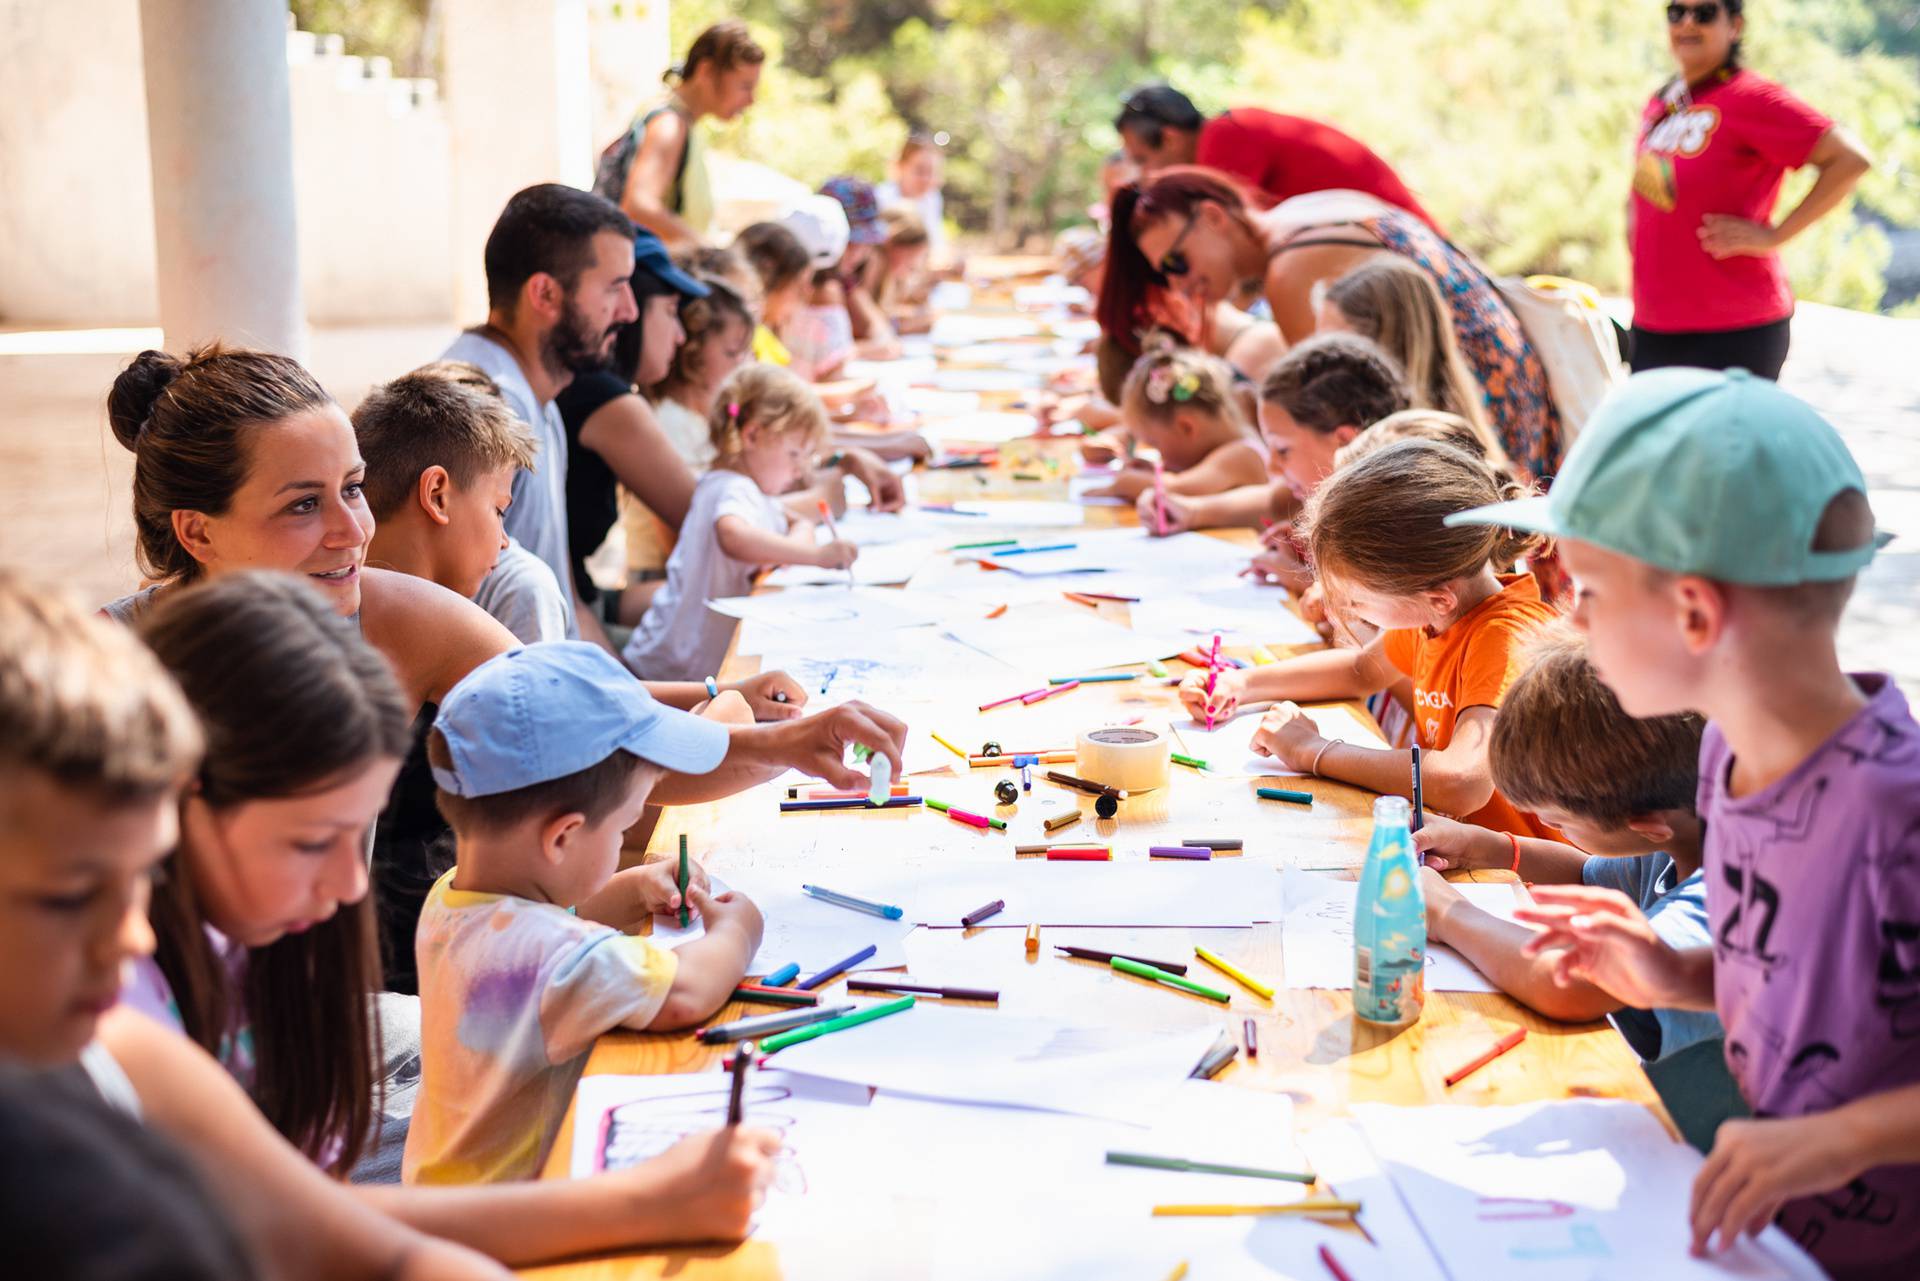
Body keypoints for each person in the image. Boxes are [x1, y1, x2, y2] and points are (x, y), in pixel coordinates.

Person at [126, 573, 784, 1258]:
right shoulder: (128, 1014)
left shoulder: (252, 947)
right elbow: (299, 1223)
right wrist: (650, 1201)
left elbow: (323, 1206)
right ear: (188, 804)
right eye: (312, 840)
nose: (352, 881)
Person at [1459, 369, 1918, 1276]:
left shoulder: (1891, 810)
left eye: (1587, 591)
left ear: (1696, 613)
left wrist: (1841, 1139)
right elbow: (1813, 979)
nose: (1571, 618)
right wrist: (1676, 973)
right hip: (1777, 1225)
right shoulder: (1730, 760)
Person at [0, 572, 507, 1280]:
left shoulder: (127, 1042)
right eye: (67, 898)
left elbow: (343, 1232)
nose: (130, 937)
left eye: (142, 877)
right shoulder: (120, 1034)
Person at [406, 643, 772, 1184]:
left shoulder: (451, 898)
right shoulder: (553, 959)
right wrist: (738, 933)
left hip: (440, 1185)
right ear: (563, 837)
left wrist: (629, 890)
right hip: (508, 1221)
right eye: (623, 828)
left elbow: (531, 914)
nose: (625, 838)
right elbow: (685, 993)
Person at [1182, 440, 1561, 838]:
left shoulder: (1506, 637)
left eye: (1357, 600)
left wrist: (1314, 752)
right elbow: (1361, 669)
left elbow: (1462, 783)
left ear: (1437, 597)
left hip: (1515, 881)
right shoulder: (1439, 613)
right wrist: (1241, 684)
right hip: (1458, 851)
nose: (1347, 610)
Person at [1101, 168, 1561, 479]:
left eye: (1177, 261)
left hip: (1482, 411)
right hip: (1515, 387)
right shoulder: (1301, 214)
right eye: (1166, 275)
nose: (1181, 285)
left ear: (1213, 216)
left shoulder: (1290, 270)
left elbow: (1329, 423)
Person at [1413, 627, 1720, 1062]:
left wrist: (1447, 913)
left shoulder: (1730, 892)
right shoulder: (1680, 830)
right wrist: (1490, 847)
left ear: (1649, 825)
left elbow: (1571, 985)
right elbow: (1585, 873)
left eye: (1555, 821)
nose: (1542, 826)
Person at [440, 183, 642, 643]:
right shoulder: (485, 410)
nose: (629, 311)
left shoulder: (540, 400)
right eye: (615, 287)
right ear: (546, 294)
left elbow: (569, 609)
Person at [1628, 0, 1870, 379]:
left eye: (1705, 13)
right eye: (1677, 12)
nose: (1688, 22)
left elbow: (1850, 159)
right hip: (1654, 324)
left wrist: (1773, 236)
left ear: (1734, 25)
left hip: (1734, 329)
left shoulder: (1751, 96)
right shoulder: (1665, 102)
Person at [624, 365, 855, 682]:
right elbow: (732, 536)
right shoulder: (734, 489)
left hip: (678, 657)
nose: (799, 471)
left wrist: (798, 538)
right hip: (678, 669)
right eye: (793, 455)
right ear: (753, 435)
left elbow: (791, 521)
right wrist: (816, 556)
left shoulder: (734, 487)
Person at [556, 228, 707, 632]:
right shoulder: (604, 397)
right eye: (672, 312)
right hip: (576, 618)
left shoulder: (592, 387)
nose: (680, 335)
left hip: (587, 601)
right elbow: (707, 516)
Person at [356, 363, 568, 646]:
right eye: (499, 510)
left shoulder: (324, 612)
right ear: (436, 496)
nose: (504, 541)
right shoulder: (472, 646)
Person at [1113, 83, 1439, 229]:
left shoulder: (1223, 138)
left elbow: (1226, 242)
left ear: (1170, 139)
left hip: (1404, 243)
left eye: (1142, 160)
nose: (1145, 176)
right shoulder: (1228, 131)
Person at [593, 20, 764, 247]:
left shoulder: (684, 123)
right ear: (706, 70)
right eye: (745, 86)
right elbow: (638, 206)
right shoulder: (669, 125)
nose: (750, 100)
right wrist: (707, 252)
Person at [1319, 255, 1494, 441]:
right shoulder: (1456, 411)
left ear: (1386, 350)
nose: (1320, 359)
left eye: (1335, 348)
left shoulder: (1410, 443)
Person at [1086, 347, 1266, 504]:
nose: (1160, 455)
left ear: (1187, 427)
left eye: (1154, 443)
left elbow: (1177, 488)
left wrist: (1126, 483)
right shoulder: (1226, 447)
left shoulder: (1241, 455)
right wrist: (1155, 470)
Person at [648, 274, 756, 473]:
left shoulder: (712, 416)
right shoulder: (670, 423)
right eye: (731, 353)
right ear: (693, 352)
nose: (741, 364)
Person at [734, 221, 814, 366]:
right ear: (767, 280)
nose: (806, 296)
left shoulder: (763, 336)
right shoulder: (739, 341)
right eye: (798, 287)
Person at [875, 131, 953, 267]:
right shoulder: (881, 198)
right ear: (901, 166)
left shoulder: (932, 199)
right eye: (920, 171)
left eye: (932, 172)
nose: (927, 179)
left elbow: (936, 245)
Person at [864, 207, 935, 334]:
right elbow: (867, 323)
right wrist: (901, 325)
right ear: (891, 244)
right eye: (910, 262)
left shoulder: (887, 275)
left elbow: (885, 311)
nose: (913, 267)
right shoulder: (874, 262)